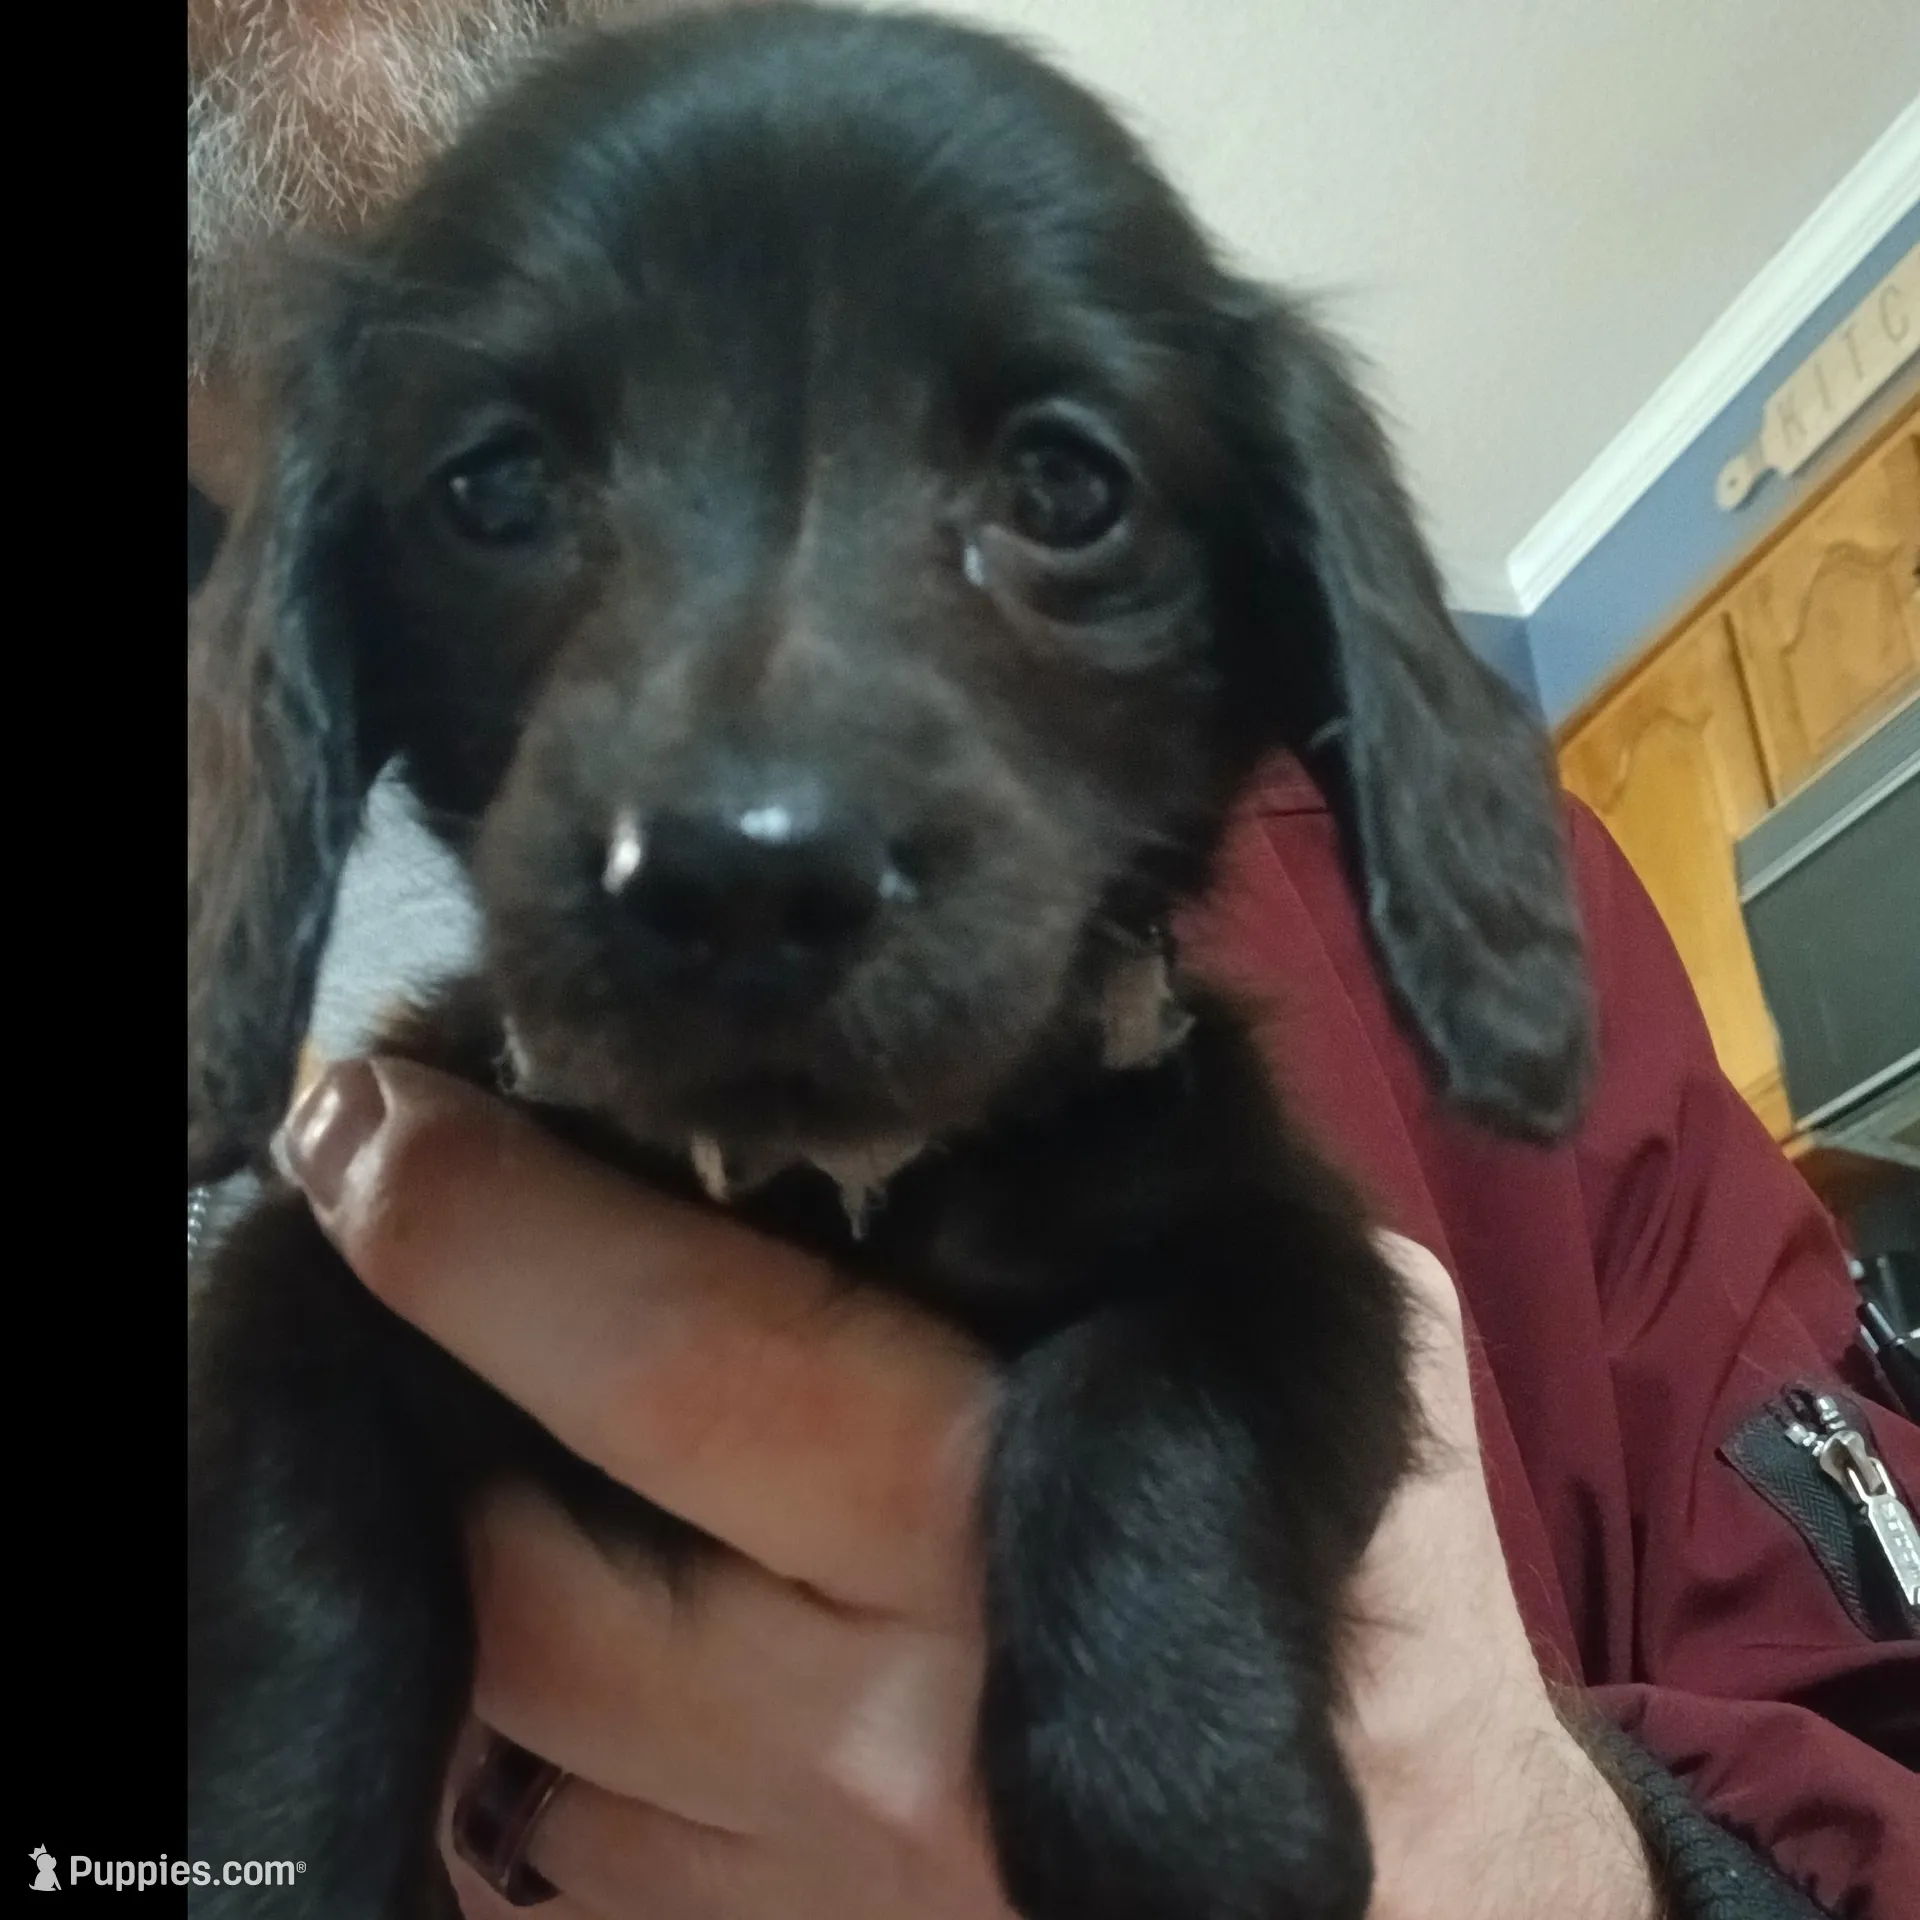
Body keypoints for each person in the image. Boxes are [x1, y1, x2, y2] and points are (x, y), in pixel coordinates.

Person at [189, 6, 1919, 1917]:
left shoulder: (1251, 1052)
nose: (761, 793)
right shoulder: (339, 1262)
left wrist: (1562, 1872)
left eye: (1058, 496)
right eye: (510, 495)